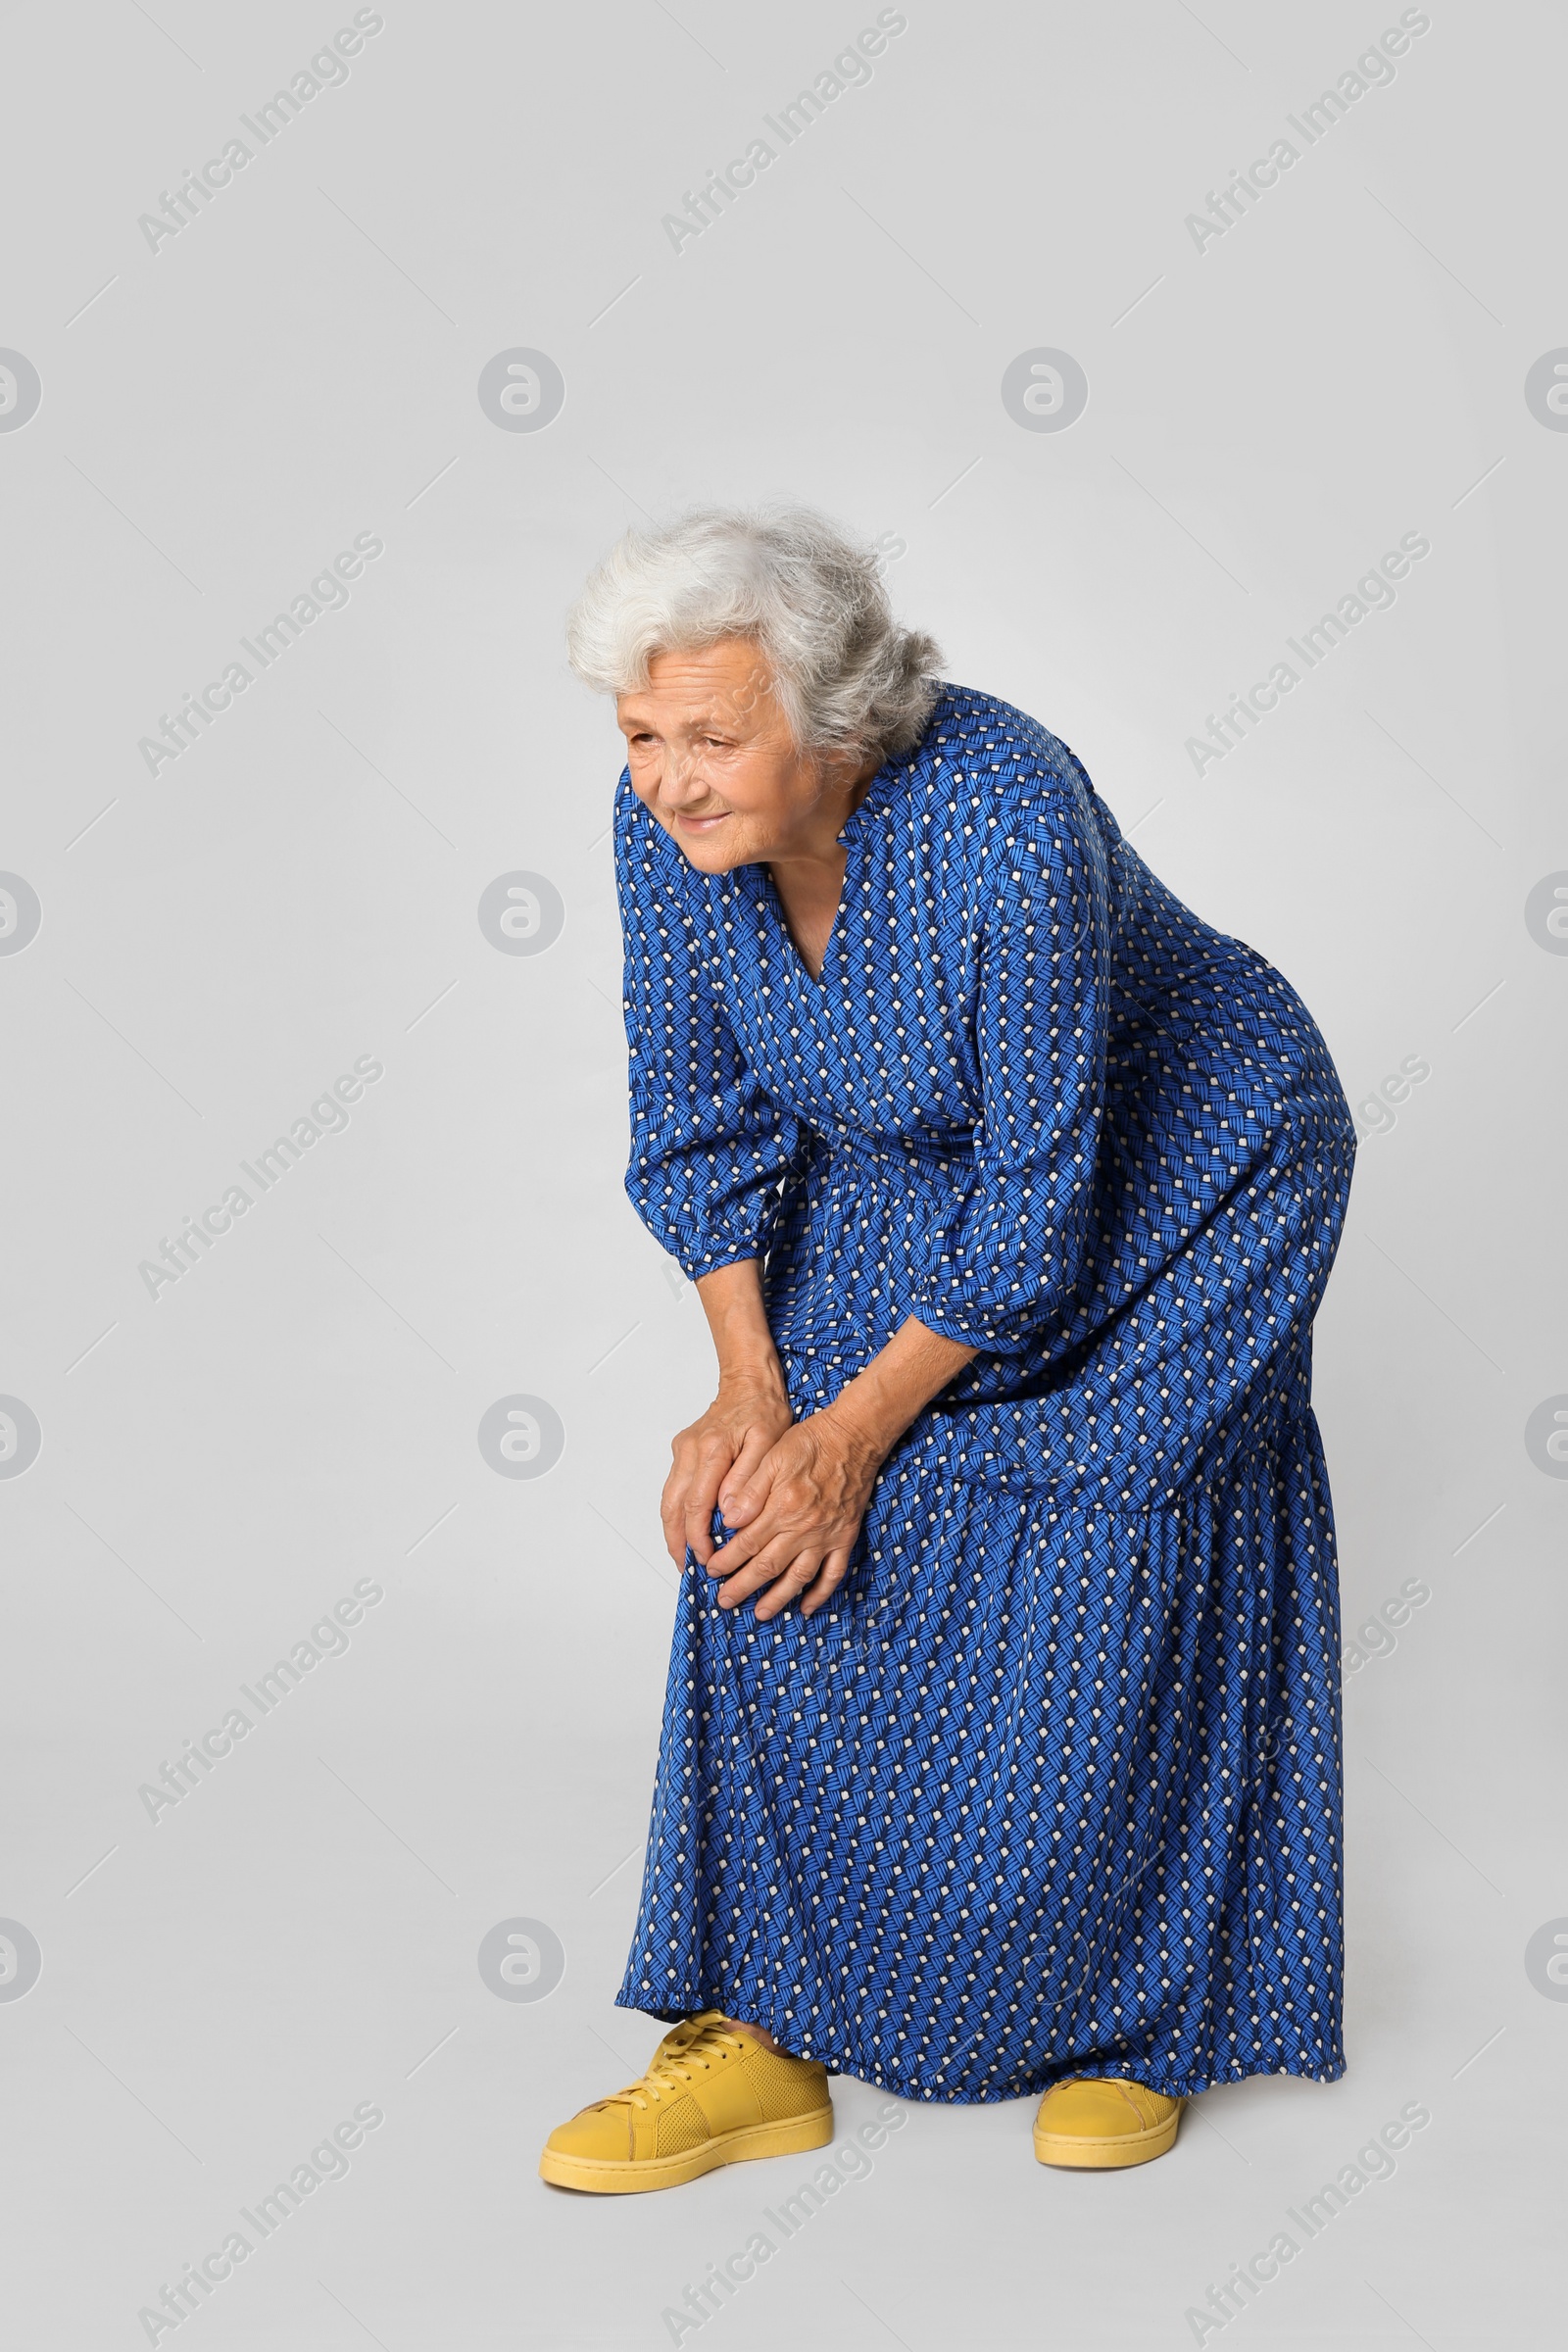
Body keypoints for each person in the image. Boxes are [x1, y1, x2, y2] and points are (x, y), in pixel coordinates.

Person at [539, 508, 1354, 2193]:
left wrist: (854, 1437)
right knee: (754, 1511)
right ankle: (755, 2028)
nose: (667, 777)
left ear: (832, 724)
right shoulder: (662, 837)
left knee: (1098, 1554)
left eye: (710, 733)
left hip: (1197, 1170)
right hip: (942, 1176)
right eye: (638, 734)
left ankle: (1134, 2021)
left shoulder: (1005, 816)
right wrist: (756, 1401)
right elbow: (695, 1121)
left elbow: (1043, 1206)